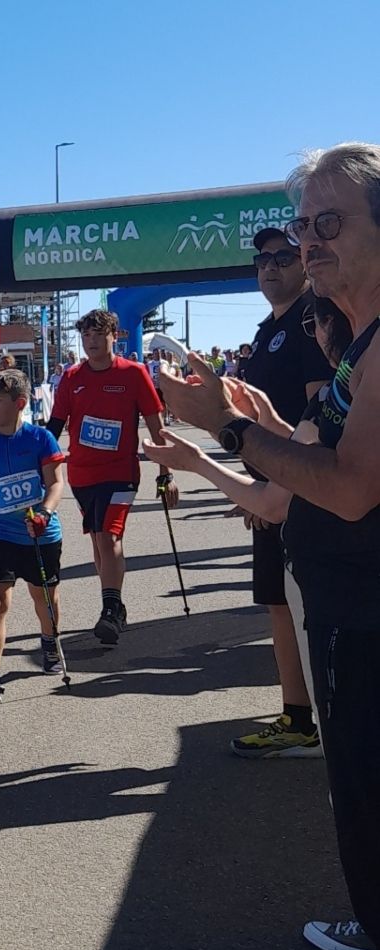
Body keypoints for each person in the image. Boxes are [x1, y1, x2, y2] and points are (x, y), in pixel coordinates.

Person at [152, 143, 380, 950]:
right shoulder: (356, 342)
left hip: (363, 611)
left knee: (362, 781)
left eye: (328, 225)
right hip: (344, 601)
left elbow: (351, 487)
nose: (309, 243)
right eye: (300, 226)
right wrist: (254, 430)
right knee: (354, 774)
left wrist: (231, 429)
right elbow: (318, 465)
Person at [225, 226, 333, 759]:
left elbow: (318, 414)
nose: (270, 266)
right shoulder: (269, 326)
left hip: (300, 489)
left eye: (283, 257)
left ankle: (312, 716)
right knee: (276, 603)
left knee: (297, 604)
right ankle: (298, 714)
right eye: (262, 258)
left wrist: (273, 482)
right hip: (272, 485)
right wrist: (252, 483)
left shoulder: (315, 320)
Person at [45, 308, 177, 645]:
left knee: (109, 536)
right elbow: (54, 427)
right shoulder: (72, 378)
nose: (91, 342)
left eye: (97, 335)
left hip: (120, 473)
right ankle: (115, 604)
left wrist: (165, 473)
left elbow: (155, 426)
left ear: (113, 337)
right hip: (83, 474)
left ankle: (109, 608)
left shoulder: (133, 374)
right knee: (97, 539)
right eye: (86, 336)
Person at [0, 368, 67, 711]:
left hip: (38, 532)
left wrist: (45, 512)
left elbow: (56, 483)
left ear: (19, 404)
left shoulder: (40, 439)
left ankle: (49, 640)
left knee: (44, 596)